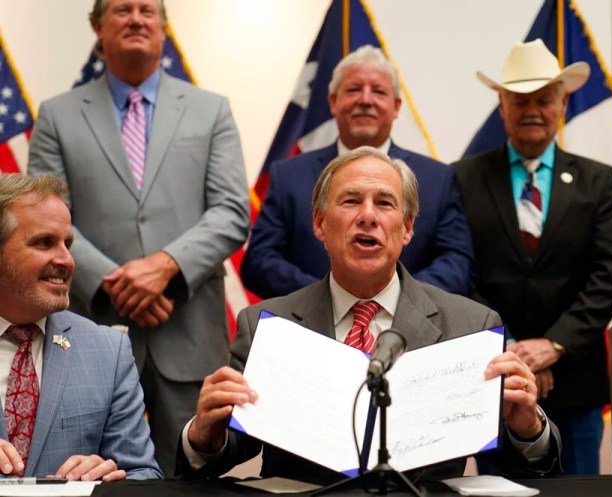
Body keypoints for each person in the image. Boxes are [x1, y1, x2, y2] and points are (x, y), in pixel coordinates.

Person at [177, 147, 561, 482]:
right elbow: (229, 449)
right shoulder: (264, 326)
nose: (368, 216)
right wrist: (204, 435)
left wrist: (528, 427)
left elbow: (523, 464)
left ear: (407, 227)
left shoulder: (471, 326)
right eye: (350, 200)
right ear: (319, 223)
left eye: (385, 202)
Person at [26, 0, 250, 475]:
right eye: (122, 9)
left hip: (188, 335)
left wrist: (165, 266)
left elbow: (232, 212)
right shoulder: (57, 115)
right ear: (97, 28)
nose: (136, 18)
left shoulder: (211, 110)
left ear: (164, 29)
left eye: (148, 10)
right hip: (88, 333)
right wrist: (116, 283)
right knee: (85, 474)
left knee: (199, 474)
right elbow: (42, 219)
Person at [452, 39, 612, 474]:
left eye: (543, 100)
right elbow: (459, 273)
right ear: (502, 105)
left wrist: (553, 346)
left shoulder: (599, 181)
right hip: (494, 379)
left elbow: (606, 277)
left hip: (576, 381)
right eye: (520, 100)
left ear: (562, 104)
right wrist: (510, 350)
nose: (533, 110)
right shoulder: (462, 177)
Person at [240, 45, 474, 299]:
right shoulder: (288, 176)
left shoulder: (437, 179)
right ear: (333, 102)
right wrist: (328, 299)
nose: (365, 99)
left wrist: (397, 300)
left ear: (396, 106)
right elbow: (259, 262)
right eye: (353, 89)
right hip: (308, 329)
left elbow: (458, 265)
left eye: (378, 91)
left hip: (413, 332)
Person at [0, 174, 162, 480]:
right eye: (44, 242)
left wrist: (111, 482)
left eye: (67, 244)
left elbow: (145, 474)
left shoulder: (108, 351)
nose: (66, 260)